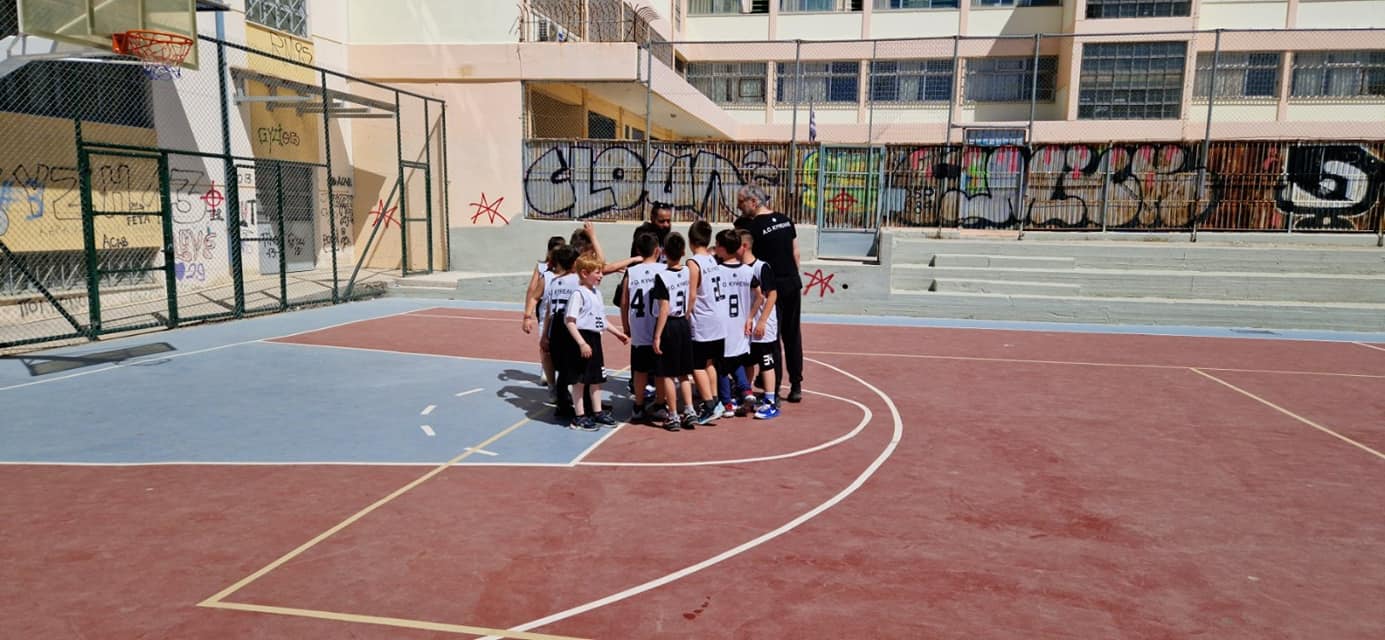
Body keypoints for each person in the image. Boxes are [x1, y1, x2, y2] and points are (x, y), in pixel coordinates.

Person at [736, 184, 803, 403]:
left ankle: (773, 383)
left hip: (773, 287)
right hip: (792, 282)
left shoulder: (753, 228)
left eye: (741, 202)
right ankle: (796, 385)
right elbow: (796, 253)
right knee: (792, 335)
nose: (739, 207)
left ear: (753, 202)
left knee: (771, 337)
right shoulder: (785, 219)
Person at [563, 254, 630, 431]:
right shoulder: (578, 294)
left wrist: (617, 333)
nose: (601, 275)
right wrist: (581, 343)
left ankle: (597, 411)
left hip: (595, 339)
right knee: (580, 380)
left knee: (596, 378)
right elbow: (570, 321)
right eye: (598, 272)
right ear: (584, 273)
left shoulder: (596, 293)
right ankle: (579, 416)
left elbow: (601, 319)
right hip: (583, 338)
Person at [650, 232, 696, 432]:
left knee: (668, 374)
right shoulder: (688, 271)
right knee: (684, 373)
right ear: (683, 251)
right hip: (684, 324)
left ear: (664, 253)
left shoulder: (661, 276)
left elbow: (664, 308)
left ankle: (673, 414)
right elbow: (692, 296)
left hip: (669, 325)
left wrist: (657, 335)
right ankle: (690, 410)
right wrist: (686, 313)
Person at [620, 231, 666, 424]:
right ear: (658, 250)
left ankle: (638, 406)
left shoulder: (631, 272)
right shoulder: (663, 270)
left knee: (639, 370)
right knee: (661, 371)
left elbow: (624, 302)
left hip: (638, 327)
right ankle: (660, 404)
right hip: (658, 328)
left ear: (638, 250)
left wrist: (625, 325)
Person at [713, 229, 758, 418]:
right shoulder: (748, 271)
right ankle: (746, 390)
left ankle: (727, 403)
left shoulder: (716, 272)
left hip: (722, 325)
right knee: (737, 361)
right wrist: (750, 317)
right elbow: (760, 295)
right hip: (740, 323)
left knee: (721, 365)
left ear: (722, 249)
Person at [685, 220, 725, 424]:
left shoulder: (694, 263)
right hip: (717, 318)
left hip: (703, 320)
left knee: (697, 365)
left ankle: (709, 405)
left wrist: (686, 314)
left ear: (690, 240)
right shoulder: (712, 259)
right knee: (710, 363)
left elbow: (692, 294)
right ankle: (715, 400)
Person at [738, 228, 780, 419]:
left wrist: (762, 321)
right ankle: (747, 397)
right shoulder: (737, 268)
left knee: (766, 363)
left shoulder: (762, 267)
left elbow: (772, 294)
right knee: (747, 363)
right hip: (745, 327)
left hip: (763, 327)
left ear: (744, 246)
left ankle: (771, 401)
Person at [540, 245, 581, 418]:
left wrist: (544, 335)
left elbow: (548, 311)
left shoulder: (554, 282)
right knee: (577, 366)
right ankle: (581, 404)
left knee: (563, 369)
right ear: (574, 263)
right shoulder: (578, 280)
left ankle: (562, 403)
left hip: (556, 325)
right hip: (569, 323)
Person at [523, 235, 567, 387]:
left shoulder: (570, 270)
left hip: (563, 315)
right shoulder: (543, 269)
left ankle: (561, 377)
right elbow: (532, 290)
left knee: (561, 348)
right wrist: (526, 315)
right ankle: (546, 372)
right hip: (545, 312)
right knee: (545, 344)